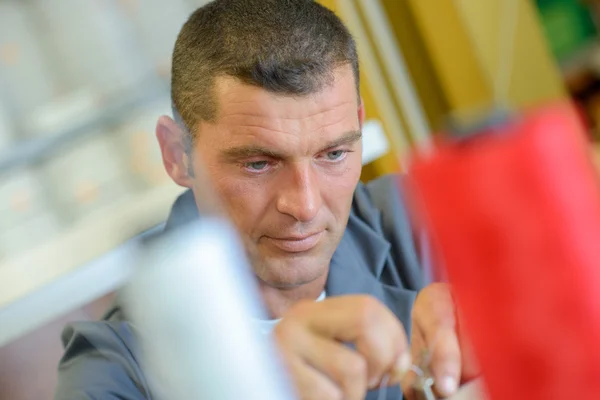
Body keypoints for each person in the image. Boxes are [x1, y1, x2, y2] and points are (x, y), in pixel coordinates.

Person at [54, 1, 478, 399]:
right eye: (258, 164)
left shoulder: (424, 218)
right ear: (177, 155)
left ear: (358, 124)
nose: (306, 206)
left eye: (333, 154)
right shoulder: (114, 368)